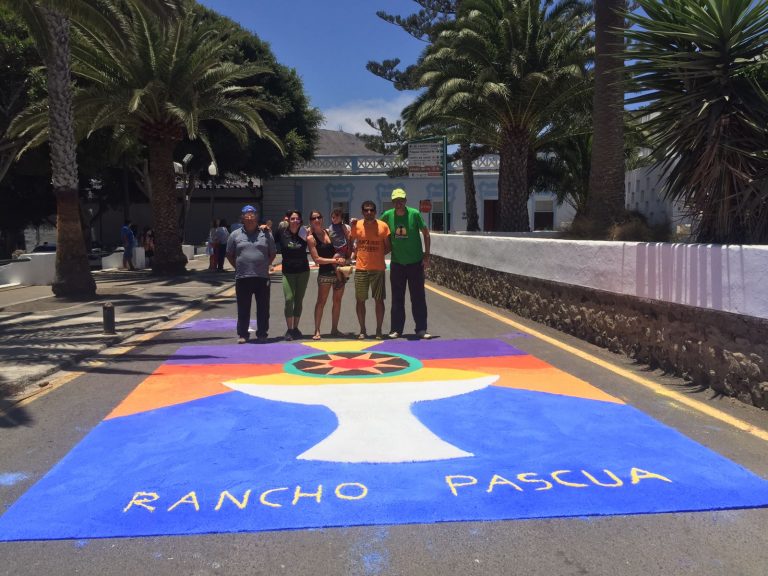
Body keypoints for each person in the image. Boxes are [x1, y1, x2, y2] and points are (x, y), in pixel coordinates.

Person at [380, 188, 432, 339]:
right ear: (392, 202)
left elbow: (426, 233)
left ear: (405, 200)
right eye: (396, 201)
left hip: (415, 263)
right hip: (397, 263)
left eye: (401, 200)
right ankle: (396, 329)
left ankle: (421, 329)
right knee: (397, 298)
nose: (399, 203)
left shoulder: (414, 214)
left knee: (418, 297)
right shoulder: (387, 215)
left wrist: (426, 255)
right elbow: (376, 228)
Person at [226, 205, 275, 344]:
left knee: (263, 308)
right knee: (243, 308)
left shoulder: (266, 233)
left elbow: (272, 253)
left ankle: (262, 333)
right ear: (242, 217)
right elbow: (229, 254)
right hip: (243, 277)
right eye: (246, 215)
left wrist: (265, 265)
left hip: (262, 277)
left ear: (256, 217)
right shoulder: (235, 234)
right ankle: (243, 334)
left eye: (252, 214)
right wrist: (238, 266)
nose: (249, 217)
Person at [349, 200, 391, 339]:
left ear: (375, 211)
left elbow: (388, 246)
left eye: (371, 210)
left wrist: (377, 255)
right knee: (360, 300)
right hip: (361, 268)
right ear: (362, 212)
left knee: (379, 300)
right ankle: (362, 330)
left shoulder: (383, 226)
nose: (369, 212)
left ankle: (379, 330)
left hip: (378, 268)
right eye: (366, 210)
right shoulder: (357, 225)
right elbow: (350, 241)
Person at [306, 210, 348, 340]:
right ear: (310, 221)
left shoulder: (330, 232)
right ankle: (317, 330)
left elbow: (343, 244)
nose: (317, 220)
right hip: (325, 273)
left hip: (339, 272)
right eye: (314, 218)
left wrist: (345, 258)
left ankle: (334, 329)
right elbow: (317, 259)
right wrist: (334, 261)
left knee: (337, 301)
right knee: (321, 302)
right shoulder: (311, 238)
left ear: (322, 219)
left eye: (319, 217)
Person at [274, 210, 309, 340]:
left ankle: (295, 328)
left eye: (297, 219)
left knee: (299, 300)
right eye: (292, 219)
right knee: (289, 299)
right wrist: (263, 228)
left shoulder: (304, 232)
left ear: (300, 220)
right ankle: (289, 329)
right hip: (288, 272)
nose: (295, 221)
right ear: (288, 220)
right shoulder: (282, 232)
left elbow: (318, 237)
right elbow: (268, 241)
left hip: (303, 271)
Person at [328, 207, 353, 286]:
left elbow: (347, 237)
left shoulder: (342, 226)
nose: (334, 219)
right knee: (338, 262)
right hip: (335, 248)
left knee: (334, 261)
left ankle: (340, 280)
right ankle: (344, 275)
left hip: (342, 247)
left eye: (337, 217)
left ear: (341, 219)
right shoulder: (330, 227)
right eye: (333, 217)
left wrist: (349, 248)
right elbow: (330, 237)